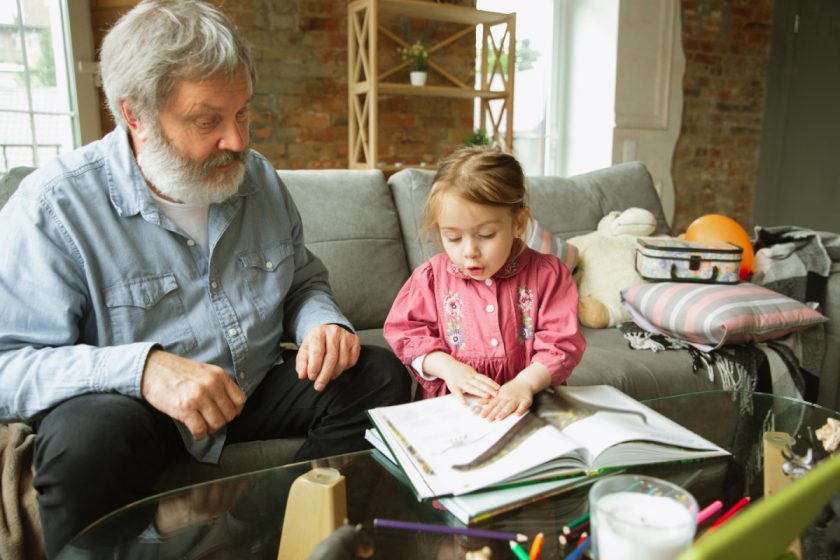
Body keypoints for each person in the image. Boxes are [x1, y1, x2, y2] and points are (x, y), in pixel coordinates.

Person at [0, 1, 410, 556]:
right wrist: (143, 369)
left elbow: (303, 281)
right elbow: (7, 365)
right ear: (135, 115)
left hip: (250, 382)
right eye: (207, 120)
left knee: (378, 372)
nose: (237, 140)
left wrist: (323, 323)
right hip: (138, 414)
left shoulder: (257, 177)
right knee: (85, 442)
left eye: (242, 113)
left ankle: (277, 533)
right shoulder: (54, 207)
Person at [383, 147, 586, 420]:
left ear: (518, 223)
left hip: (531, 407)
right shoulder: (431, 277)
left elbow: (561, 345)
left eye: (486, 234)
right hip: (454, 411)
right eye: (453, 237)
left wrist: (525, 383)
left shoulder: (548, 275)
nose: (470, 251)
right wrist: (448, 367)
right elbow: (406, 334)